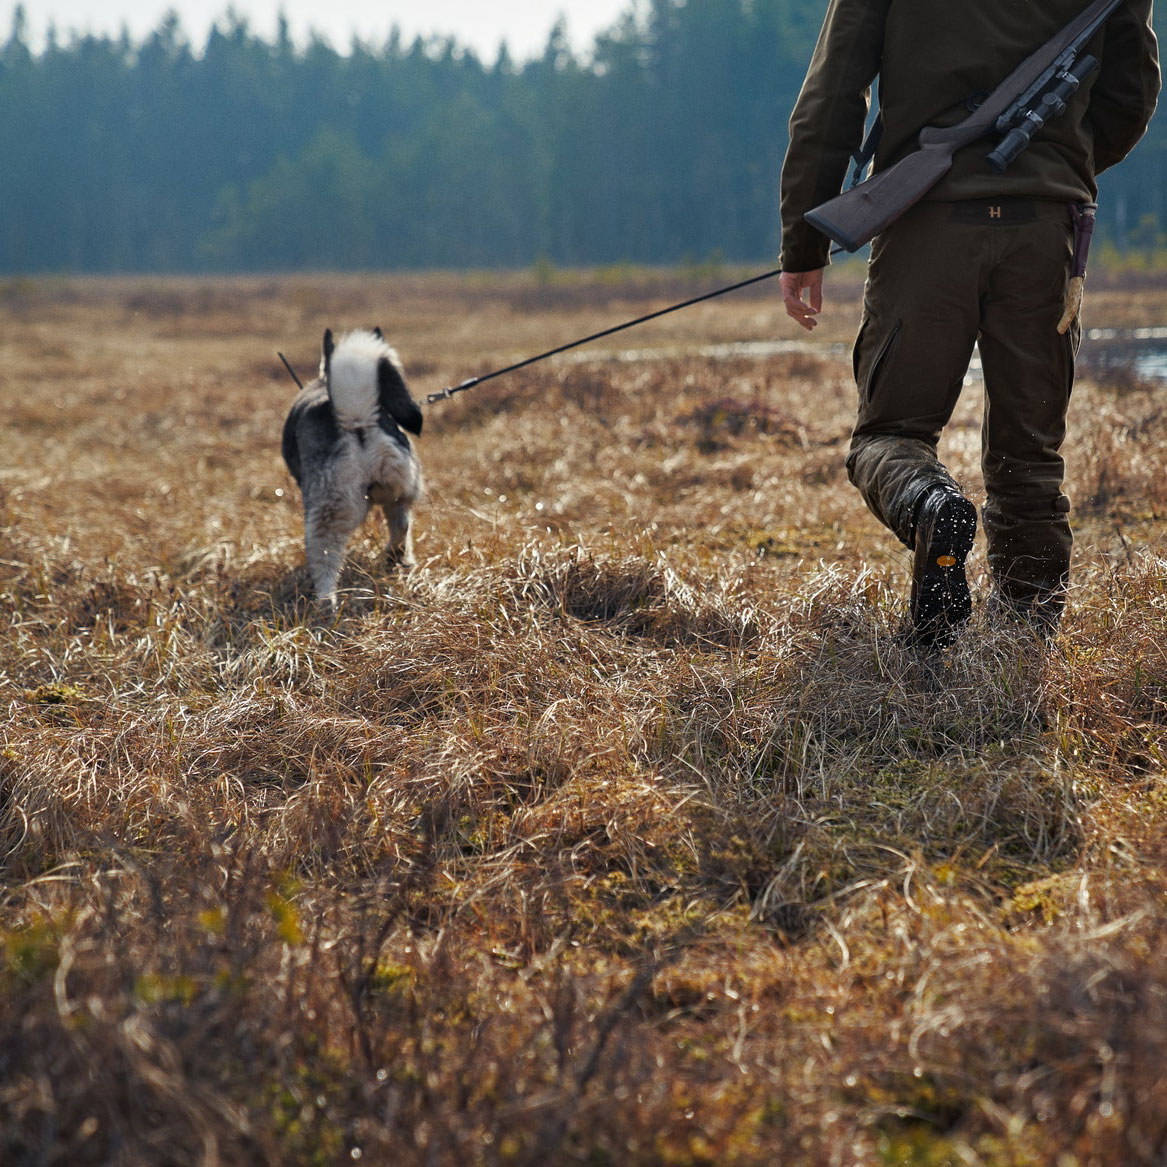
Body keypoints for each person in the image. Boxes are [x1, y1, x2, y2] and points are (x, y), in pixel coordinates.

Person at [778, 0, 1159, 648]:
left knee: (889, 436)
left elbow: (835, 89)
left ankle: (930, 504)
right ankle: (1020, 650)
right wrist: (1056, 165)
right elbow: (1131, 88)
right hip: (1046, 232)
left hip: (928, 222)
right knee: (1029, 461)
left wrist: (803, 242)